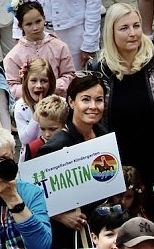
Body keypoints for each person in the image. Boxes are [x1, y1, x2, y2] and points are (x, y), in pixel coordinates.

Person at [86, 2, 154, 226]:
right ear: (111, 32)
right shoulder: (98, 70)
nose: (133, 33)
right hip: (113, 165)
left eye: (136, 26)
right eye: (124, 28)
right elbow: (87, 121)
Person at [39, 72, 109, 247]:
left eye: (99, 100)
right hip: (69, 236)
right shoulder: (55, 147)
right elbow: (35, 197)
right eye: (85, 99)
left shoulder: (104, 135)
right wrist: (61, 216)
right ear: (71, 102)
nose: (93, 106)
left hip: (102, 229)